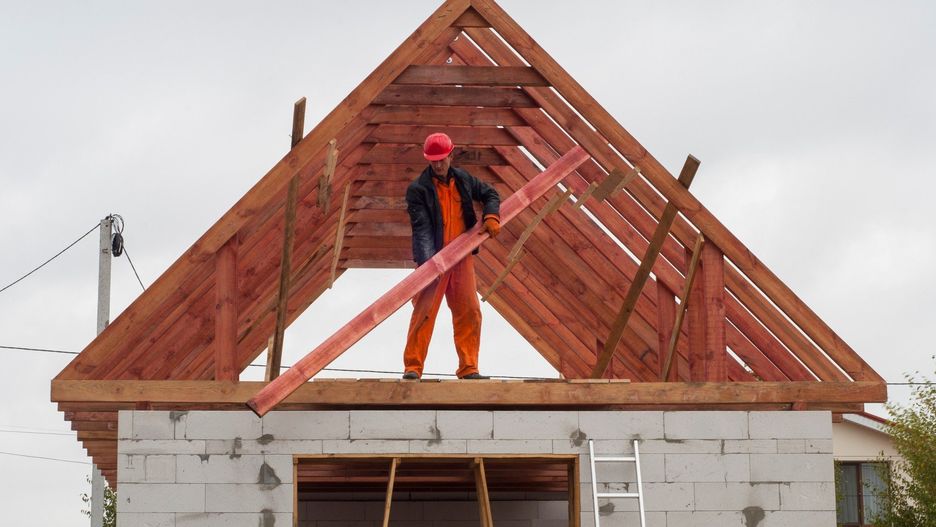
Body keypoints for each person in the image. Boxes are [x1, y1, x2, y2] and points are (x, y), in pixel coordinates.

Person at [402, 132, 501, 380]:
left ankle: (469, 368)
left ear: (450, 155)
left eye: (442, 159)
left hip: (462, 257)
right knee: (423, 312)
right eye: (433, 160)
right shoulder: (418, 189)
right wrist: (428, 267)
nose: (438, 164)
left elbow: (490, 194)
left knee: (469, 311)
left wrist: (491, 215)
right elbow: (422, 228)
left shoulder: (464, 180)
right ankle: (413, 368)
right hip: (434, 259)